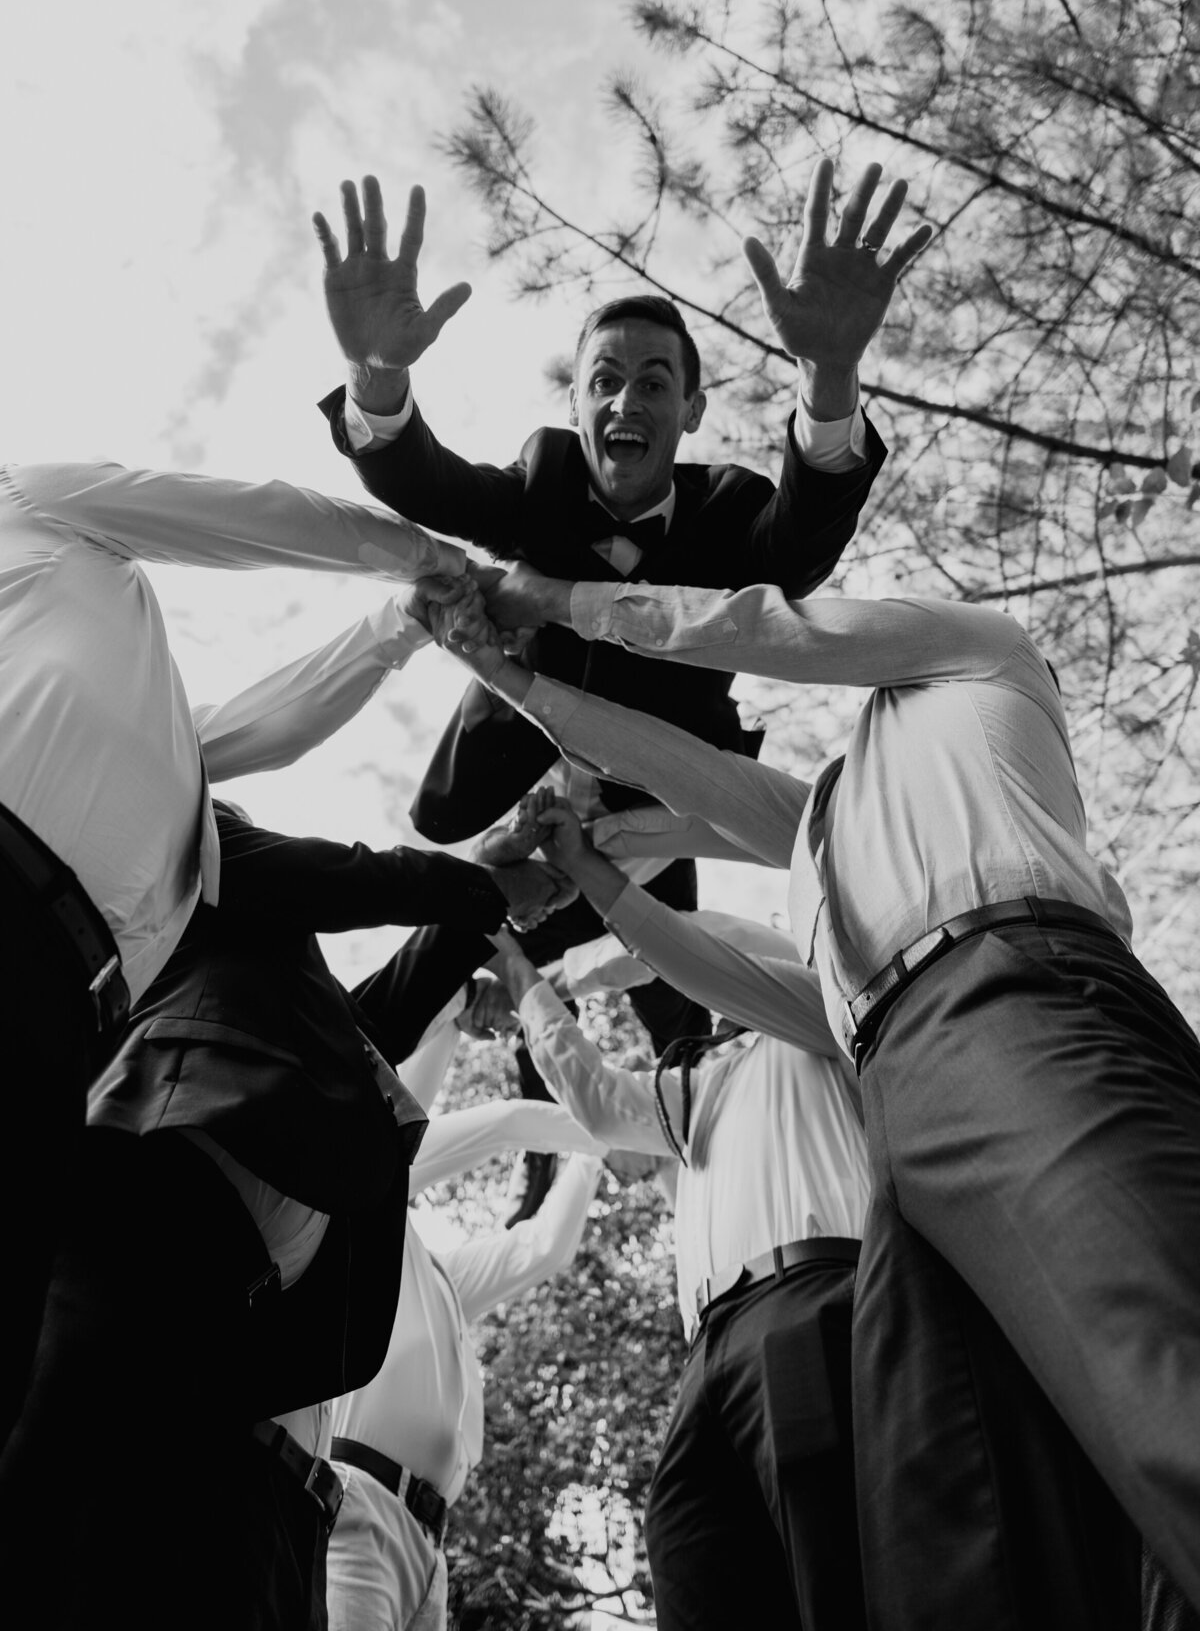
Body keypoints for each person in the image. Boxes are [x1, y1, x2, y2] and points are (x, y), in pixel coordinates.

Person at [449, 569, 1195, 1628]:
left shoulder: (981, 652)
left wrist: (554, 601)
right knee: (953, 1536)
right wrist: (513, 698)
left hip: (1009, 989)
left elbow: (764, 630)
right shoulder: (831, 830)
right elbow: (700, 787)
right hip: (903, 1093)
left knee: (1155, 1375)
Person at [309, 162, 930, 1063]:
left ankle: (701, 1078)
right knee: (453, 863)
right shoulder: (545, 482)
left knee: (669, 976)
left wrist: (829, 376)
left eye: (651, 384)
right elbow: (428, 483)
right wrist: (374, 376)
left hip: (659, 786)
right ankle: (390, 1035)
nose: (624, 402)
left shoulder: (723, 510)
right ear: (576, 403)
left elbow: (795, 550)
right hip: (520, 762)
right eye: (604, 382)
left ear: (690, 410)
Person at [0, 453, 464, 1442]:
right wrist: (427, 556)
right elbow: (249, 517)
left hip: (59, 1013)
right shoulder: (24, 497)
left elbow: (271, 724)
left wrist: (407, 623)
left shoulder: (166, 749)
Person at [482, 895, 869, 1631]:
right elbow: (595, 1100)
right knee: (693, 1560)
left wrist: (564, 974)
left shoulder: (825, 1019)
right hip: (707, 1351)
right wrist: (521, 982)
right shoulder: (704, 1088)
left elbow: (699, 939)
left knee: (831, 1568)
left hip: (811, 1301)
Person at [326, 1005, 605, 1631]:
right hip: (357, 1508)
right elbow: (503, 1123)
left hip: (428, 1553)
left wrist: (592, 1162)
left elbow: (545, 1247)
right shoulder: (368, 1222)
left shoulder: (443, 1277)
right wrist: (612, 1123)